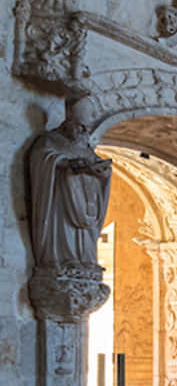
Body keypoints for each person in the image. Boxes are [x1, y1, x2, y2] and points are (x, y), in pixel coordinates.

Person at [28, 113, 111, 274]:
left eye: (84, 129)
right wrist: (67, 163)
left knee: (85, 231)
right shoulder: (50, 140)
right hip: (60, 198)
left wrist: (102, 171)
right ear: (66, 125)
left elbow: (100, 166)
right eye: (78, 127)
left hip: (86, 200)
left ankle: (86, 262)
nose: (81, 132)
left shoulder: (85, 148)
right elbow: (42, 157)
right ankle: (62, 262)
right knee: (63, 229)